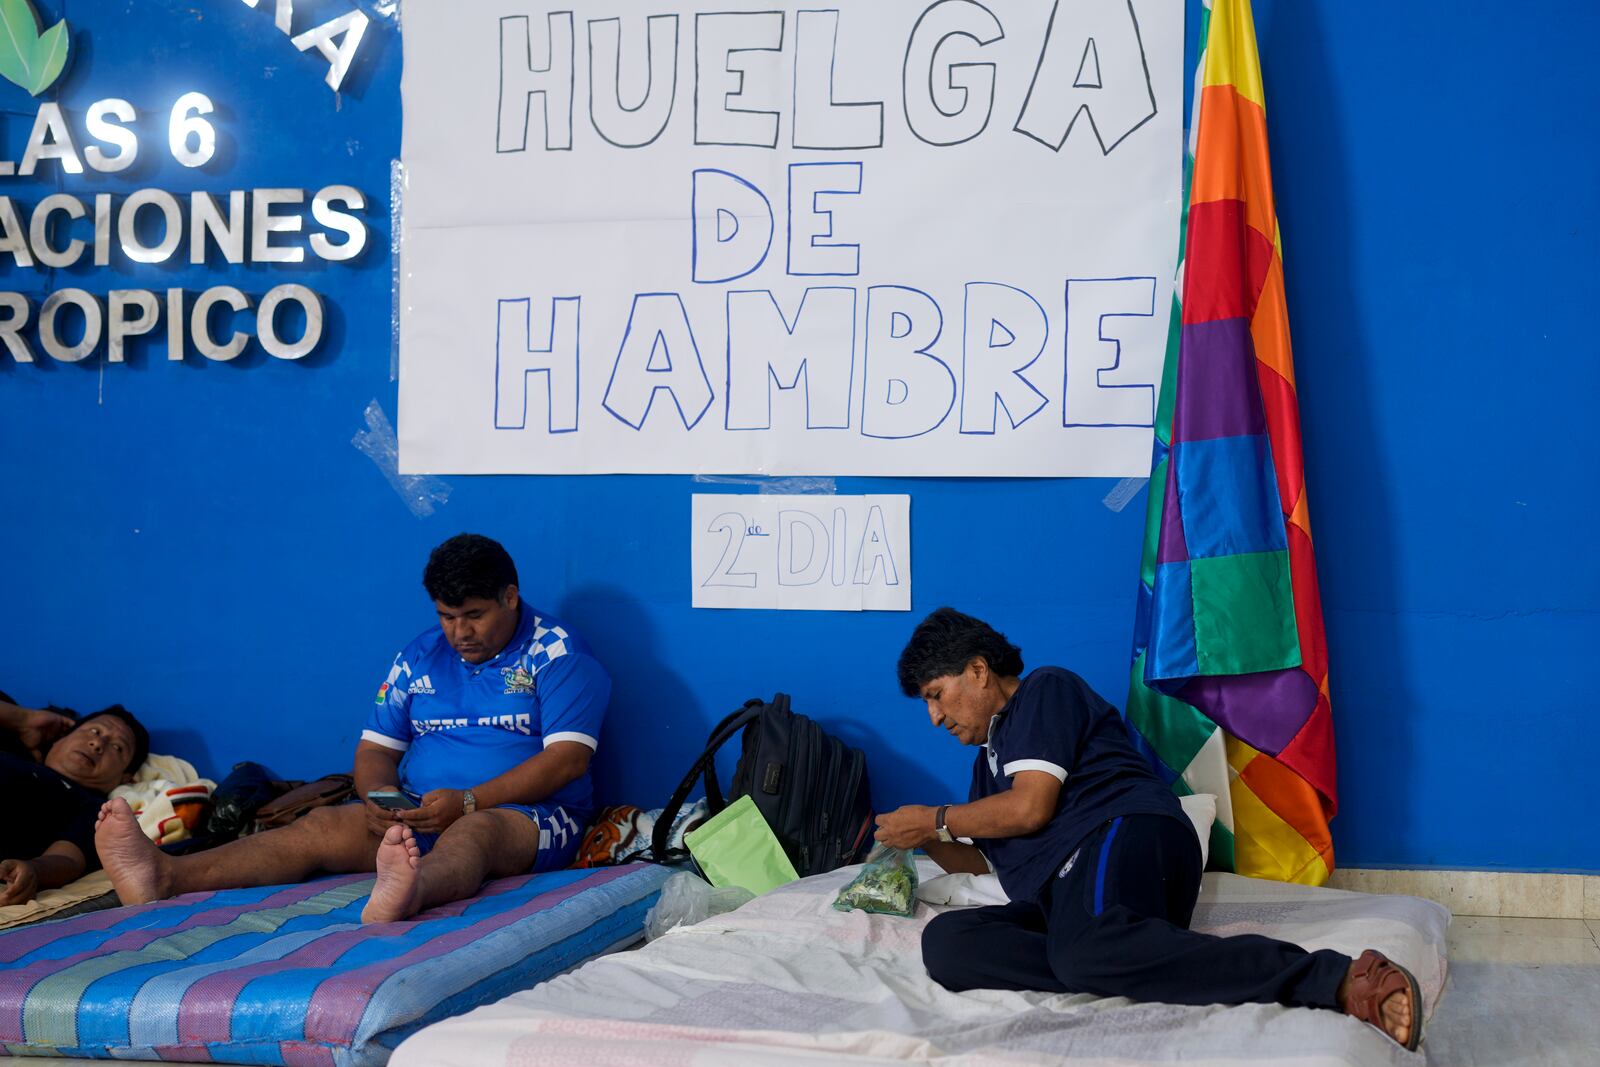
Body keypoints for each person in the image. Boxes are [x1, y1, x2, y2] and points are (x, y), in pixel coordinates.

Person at [874, 608, 1422, 1051]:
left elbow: (1030, 810)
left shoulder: (1044, 692)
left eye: (935, 694)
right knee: (949, 945)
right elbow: (987, 860)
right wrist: (929, 839)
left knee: (1082, 950)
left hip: (1123, 831)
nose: (935, 718)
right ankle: (1127, 958)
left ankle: (1337, 979)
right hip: (1068, 891)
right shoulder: (984, 768)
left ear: (977, 670)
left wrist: (937, 818)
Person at [95, 533, 611, 924]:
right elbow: (374, 750)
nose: (459, 632)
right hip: (423, 809)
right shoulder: (419, 656)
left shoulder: (558, 653)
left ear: (511, 597)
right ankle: (164, 875)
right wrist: (382, 799)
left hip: (531, 817)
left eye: (474, 615)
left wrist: (470, 802)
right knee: (320, 826)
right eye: (446, 616)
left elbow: (567, 760)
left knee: (475, 836)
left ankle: (408, 890)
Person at [0, 692, 149, 905]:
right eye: (95, 731)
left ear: (126, 776)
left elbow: (67, 858)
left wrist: (34, 869)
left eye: (117, 747)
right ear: (61, 738)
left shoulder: (96, 808)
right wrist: (23, 719)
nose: (98, 743)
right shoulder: (15, 746)